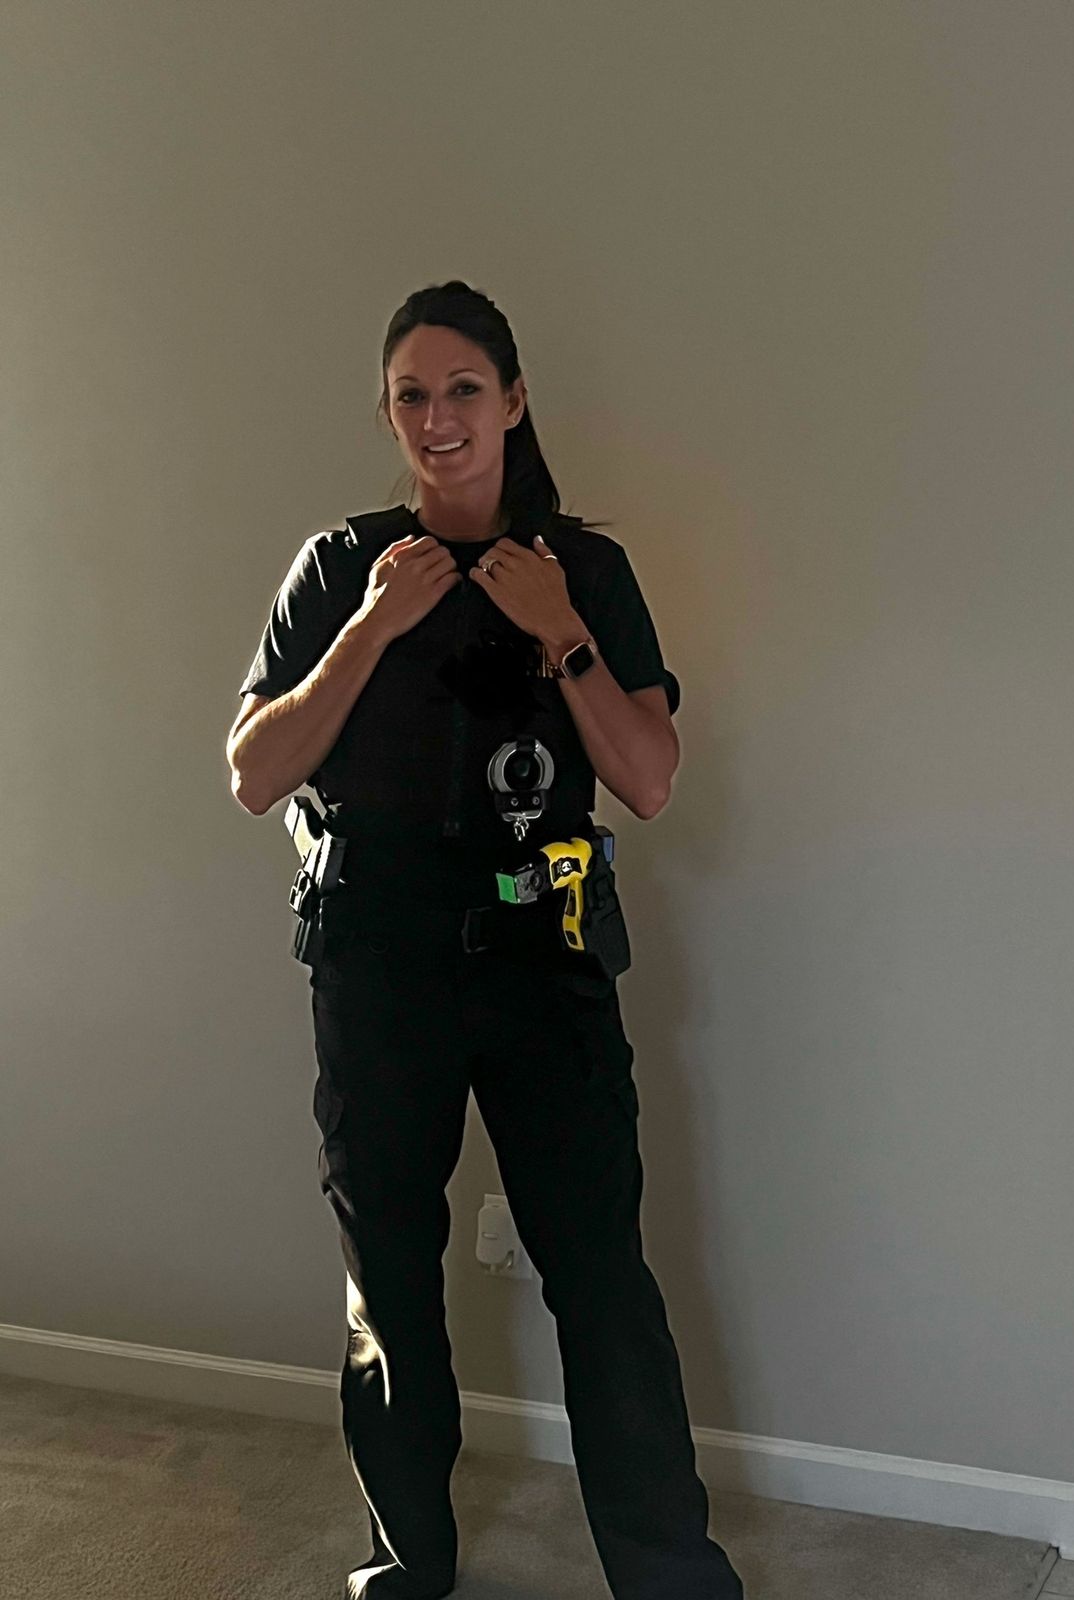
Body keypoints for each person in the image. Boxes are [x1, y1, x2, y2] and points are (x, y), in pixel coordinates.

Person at [226, 280, 744, 1600]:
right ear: (388, 414)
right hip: (375, 961)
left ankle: (671, 1578)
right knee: (390, 1284)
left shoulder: (587, 575)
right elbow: (255, 771)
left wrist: (561, 633)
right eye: (411, 395)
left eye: (463, 389)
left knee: (602, 1278)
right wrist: (370, 629)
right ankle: (409, 1565)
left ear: (513, 401)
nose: (438, 418)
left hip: (540, 963)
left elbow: (649, 777)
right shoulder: (339, 567)